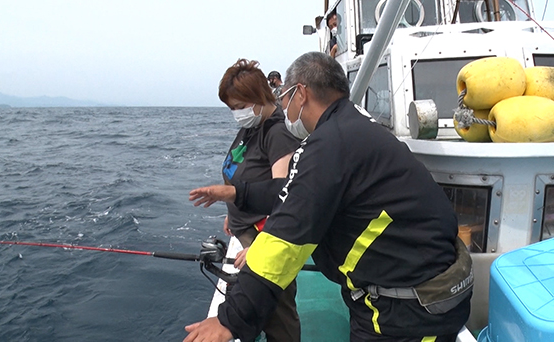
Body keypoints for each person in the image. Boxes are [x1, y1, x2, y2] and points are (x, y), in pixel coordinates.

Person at [185, 52, 472, 342]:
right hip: (409, 294)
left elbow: (286, 239)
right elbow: (294, 191)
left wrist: (230, 319)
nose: (282, 106)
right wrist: (238, 193)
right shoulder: (352, 127)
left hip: (406, 310)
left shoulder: (329, 144)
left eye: (284, 96)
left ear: (301, 94)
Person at [197, 58, 302, 342]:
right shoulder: (251, 127)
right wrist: (232, 214)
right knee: (254, 300)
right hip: (245, 231)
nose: (237, 114)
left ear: (258, 97)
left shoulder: (277, 132)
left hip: (264, 236)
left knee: (278, 309)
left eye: (240, 107)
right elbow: (242, 173)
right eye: (232, 109)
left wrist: (261, 246)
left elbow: (284, 195)